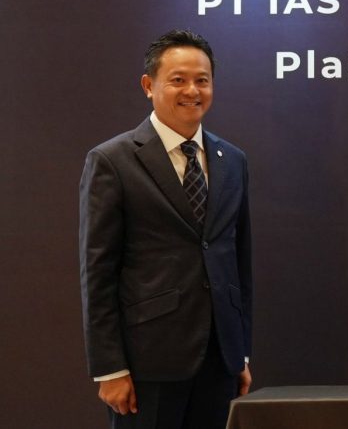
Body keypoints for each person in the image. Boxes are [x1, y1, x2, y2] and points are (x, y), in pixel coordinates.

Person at [80, 30, 252, 428]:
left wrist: (240, 352)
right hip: (147, 362)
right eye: (178, 80)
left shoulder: (233, 160)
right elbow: (98, 272)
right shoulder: (112, 160)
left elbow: (239, 262)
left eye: (202, 80)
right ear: (149, 85)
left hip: (220, 360)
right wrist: (109, 368)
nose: (192, 90)